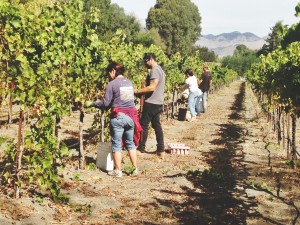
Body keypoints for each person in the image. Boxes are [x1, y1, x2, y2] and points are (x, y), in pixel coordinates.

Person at [90, 61, 142, 178]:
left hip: (118, 117)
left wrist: (94, 103)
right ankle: (135, 169)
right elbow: (126, 101)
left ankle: (118, 171)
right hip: (131, 117)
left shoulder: (112, 84)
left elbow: (106, 103)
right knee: (130, 143)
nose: (109, 76)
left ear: (113, 70)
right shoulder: (128, 83)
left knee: (116, 144)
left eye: (109, 73)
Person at [134, 53, 166, 159]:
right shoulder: (160, 69)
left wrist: (137, 91)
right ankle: (161, 150)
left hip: (151, 102)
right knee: (157, 126)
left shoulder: (155, 70)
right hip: (158, 102)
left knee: (144, 125)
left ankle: (141, 148)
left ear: (150, 59)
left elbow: (152, 87)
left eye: (145, 61)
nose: (145, 64)